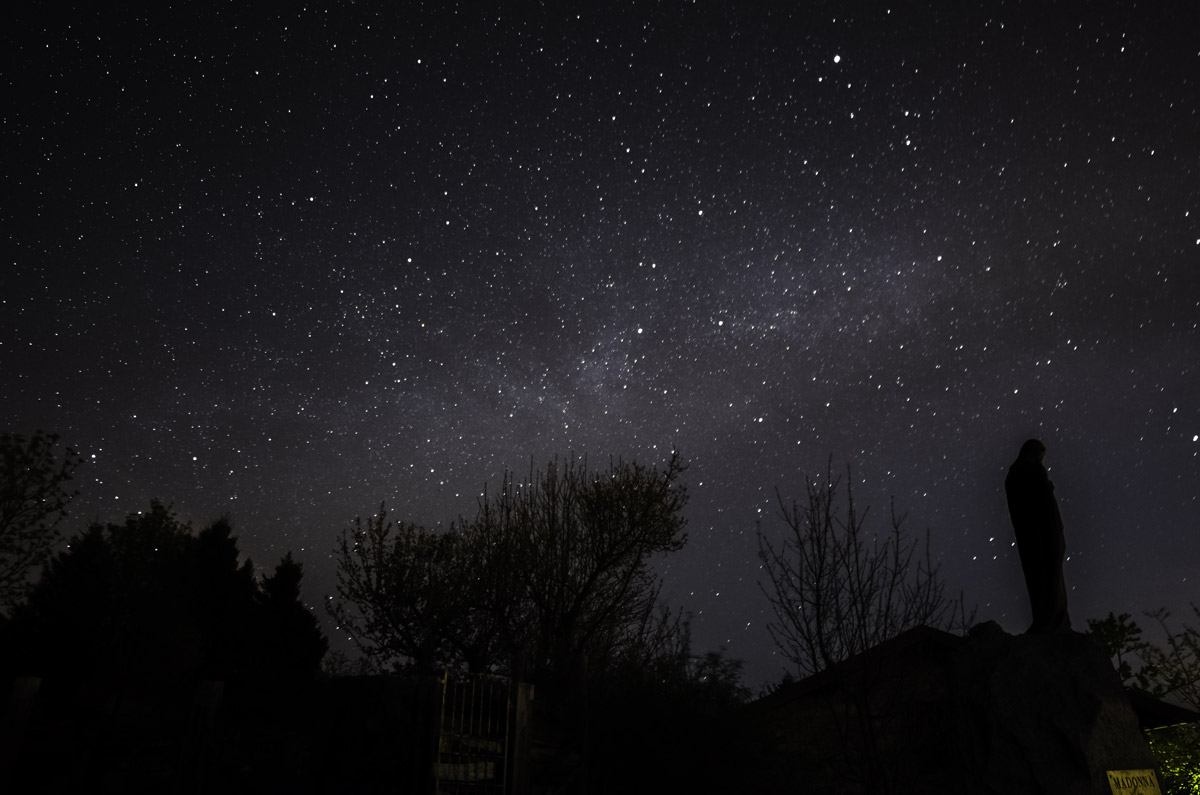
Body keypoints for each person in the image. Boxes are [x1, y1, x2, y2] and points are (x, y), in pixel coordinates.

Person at [1004, 438, 1071, 633]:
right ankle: (1054, 621)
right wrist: (1046, 489)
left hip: (1031, 537)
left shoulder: (1014, 474)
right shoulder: (1033, 471)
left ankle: (1047, 619)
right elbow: (1042, 504)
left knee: (1039, 577)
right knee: (1050, 576)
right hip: (1044, 533)